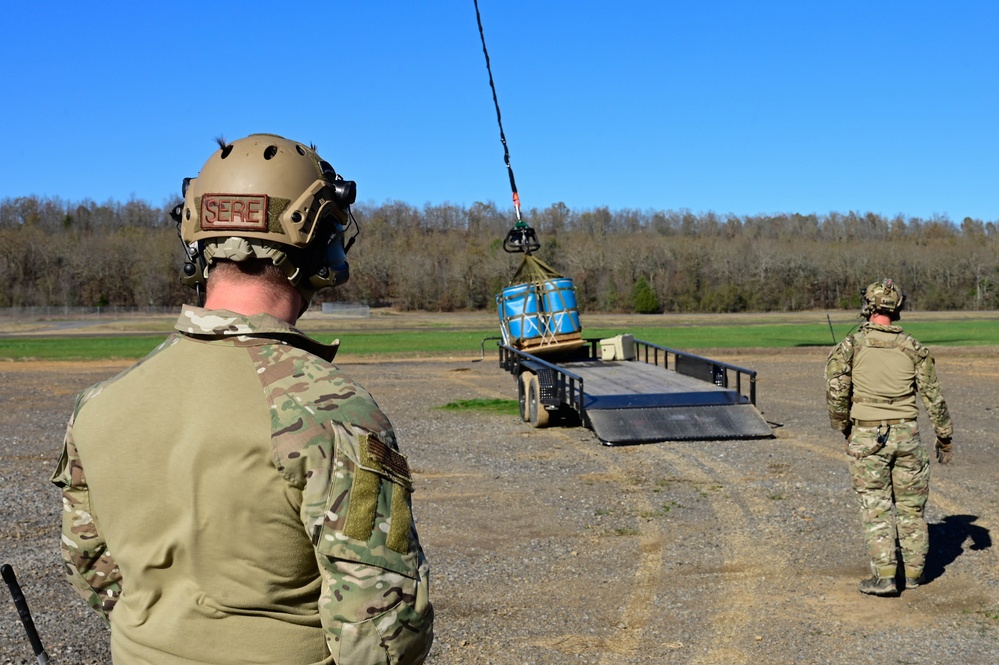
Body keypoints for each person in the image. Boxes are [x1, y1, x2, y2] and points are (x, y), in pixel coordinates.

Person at [51, 134, 434, 664]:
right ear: (318, 237)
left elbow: (92, 573)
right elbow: (385, 626)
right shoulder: (330, 409)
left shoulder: (97, 405)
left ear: (197, 240)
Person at [825, 278, 953, 597]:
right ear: (897, 309)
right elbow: (933, 397)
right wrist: (944, 436)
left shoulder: (851, 345)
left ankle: (884, 576)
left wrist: (843, 426)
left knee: (875, 504)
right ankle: (913, 573)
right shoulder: (914, 347)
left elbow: (836, 391)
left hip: (868, 435)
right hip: (907, 434)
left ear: (868, 306)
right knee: (911, 507)